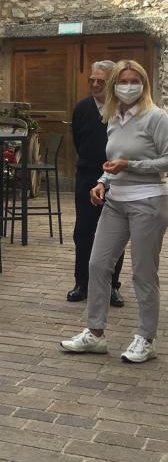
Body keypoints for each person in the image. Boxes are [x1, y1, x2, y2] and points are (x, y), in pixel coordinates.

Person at [60, 60, 168, 363]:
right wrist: (102, 181)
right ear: (114, 86)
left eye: (134, 81)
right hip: (115, 201)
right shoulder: (113, 117)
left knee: (143, 273)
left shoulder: (156, 117)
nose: (128, 86)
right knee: (97, 264)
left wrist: (130, 166)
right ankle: (95, 333)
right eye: (123, 81)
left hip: (148, 201)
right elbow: (113, 161)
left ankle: (146, 338)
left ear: (144, 85)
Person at [67, 60, 125, 305]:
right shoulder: (82, 108)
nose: (95, 84)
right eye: (92, 80)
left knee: (115, 234)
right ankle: (82, 283)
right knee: (83, 231)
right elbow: (78, 141)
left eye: (101, 81)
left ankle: (111, 285)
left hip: (117, 178)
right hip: (87, 176)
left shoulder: (122, 108)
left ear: (112, 82)